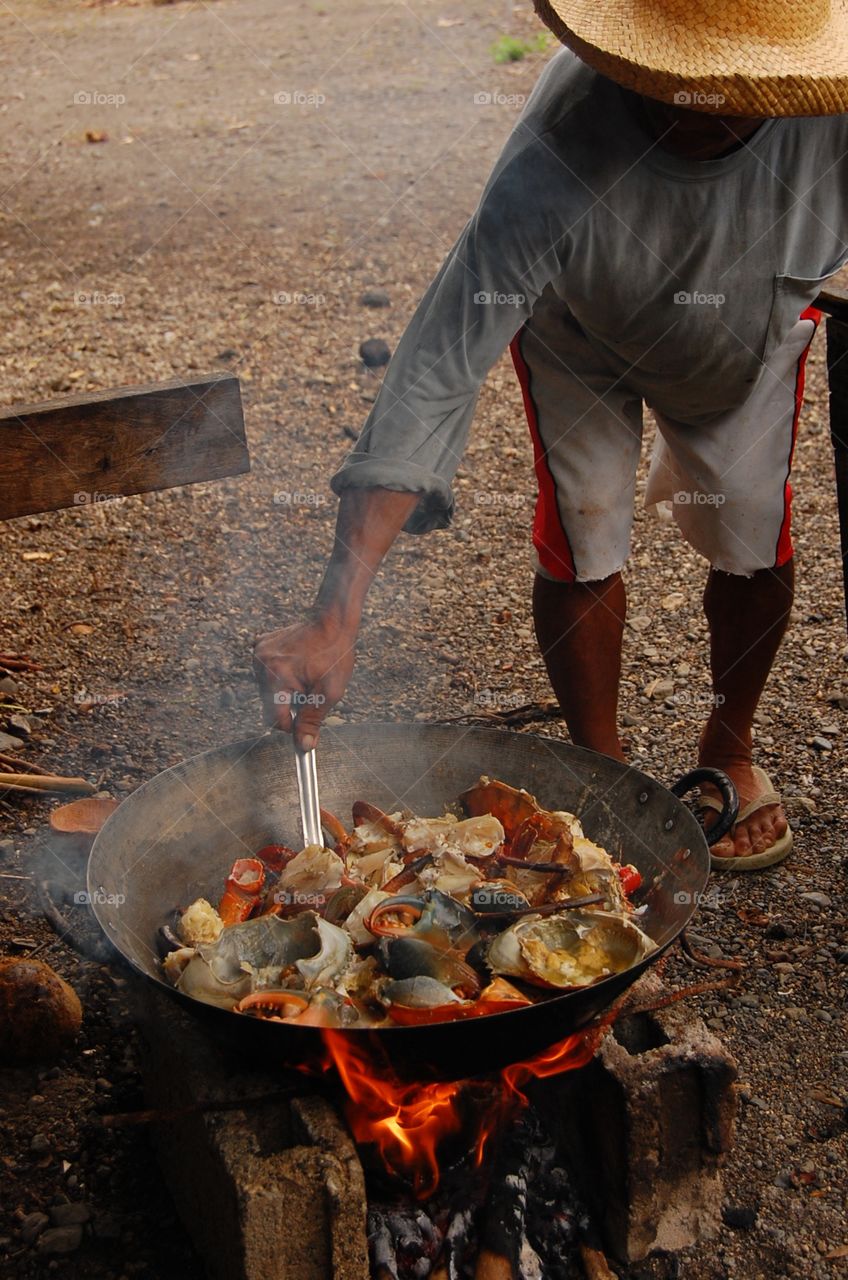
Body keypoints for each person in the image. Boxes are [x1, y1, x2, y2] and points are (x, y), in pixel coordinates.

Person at [254, 0, 848, 871]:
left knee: (752, 533)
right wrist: (333, 612)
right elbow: (438, 364)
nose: (695, 103)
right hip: (582, 337)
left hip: (748, 336)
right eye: (670, 79)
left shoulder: (831, 122)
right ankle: (599, 774)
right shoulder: (559, 146)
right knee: (585, 531)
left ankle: (729, 746)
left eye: (728, 87)